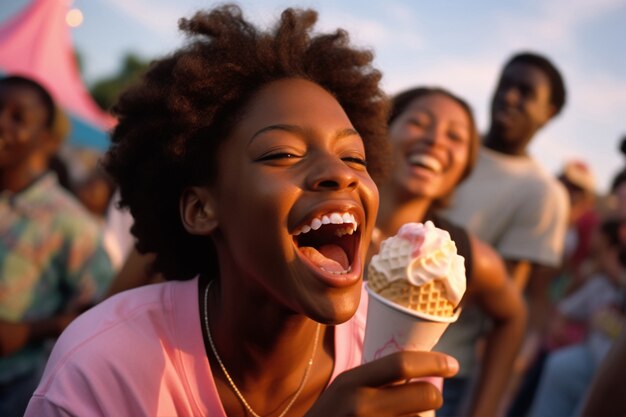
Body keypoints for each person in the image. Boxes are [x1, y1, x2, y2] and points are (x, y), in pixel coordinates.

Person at [25, 5, 460, 416]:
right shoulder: (101, 366)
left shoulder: (394, 357)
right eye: (282, 153)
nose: (338, 173)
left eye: (354, 158)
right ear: (200, 209)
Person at [372, 86, 526, 417]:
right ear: (382, 132)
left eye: (455, 137)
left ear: (464, 167)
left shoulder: (460, 257)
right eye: (418, 122)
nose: (435, 141)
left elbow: (513, 317)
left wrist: (483, 410)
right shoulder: (335, 219)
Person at [438, 51, 570, 413]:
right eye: (505, 84)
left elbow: (508, 302)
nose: (509, 96)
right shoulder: (447, 144)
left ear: (550, 113)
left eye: (525, 92)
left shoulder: (541, 193)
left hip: (440, 365)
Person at [0, 75, 114, 417]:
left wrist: (28, 331)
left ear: (47, 141)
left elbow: (100, 313)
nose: (1, 122)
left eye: (17, 118)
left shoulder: (69, 223)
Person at [530, 217, 626, 417]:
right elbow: (564, 306)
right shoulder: (598, 280)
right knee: (561, 366)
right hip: (592, 354)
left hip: (613, 369)